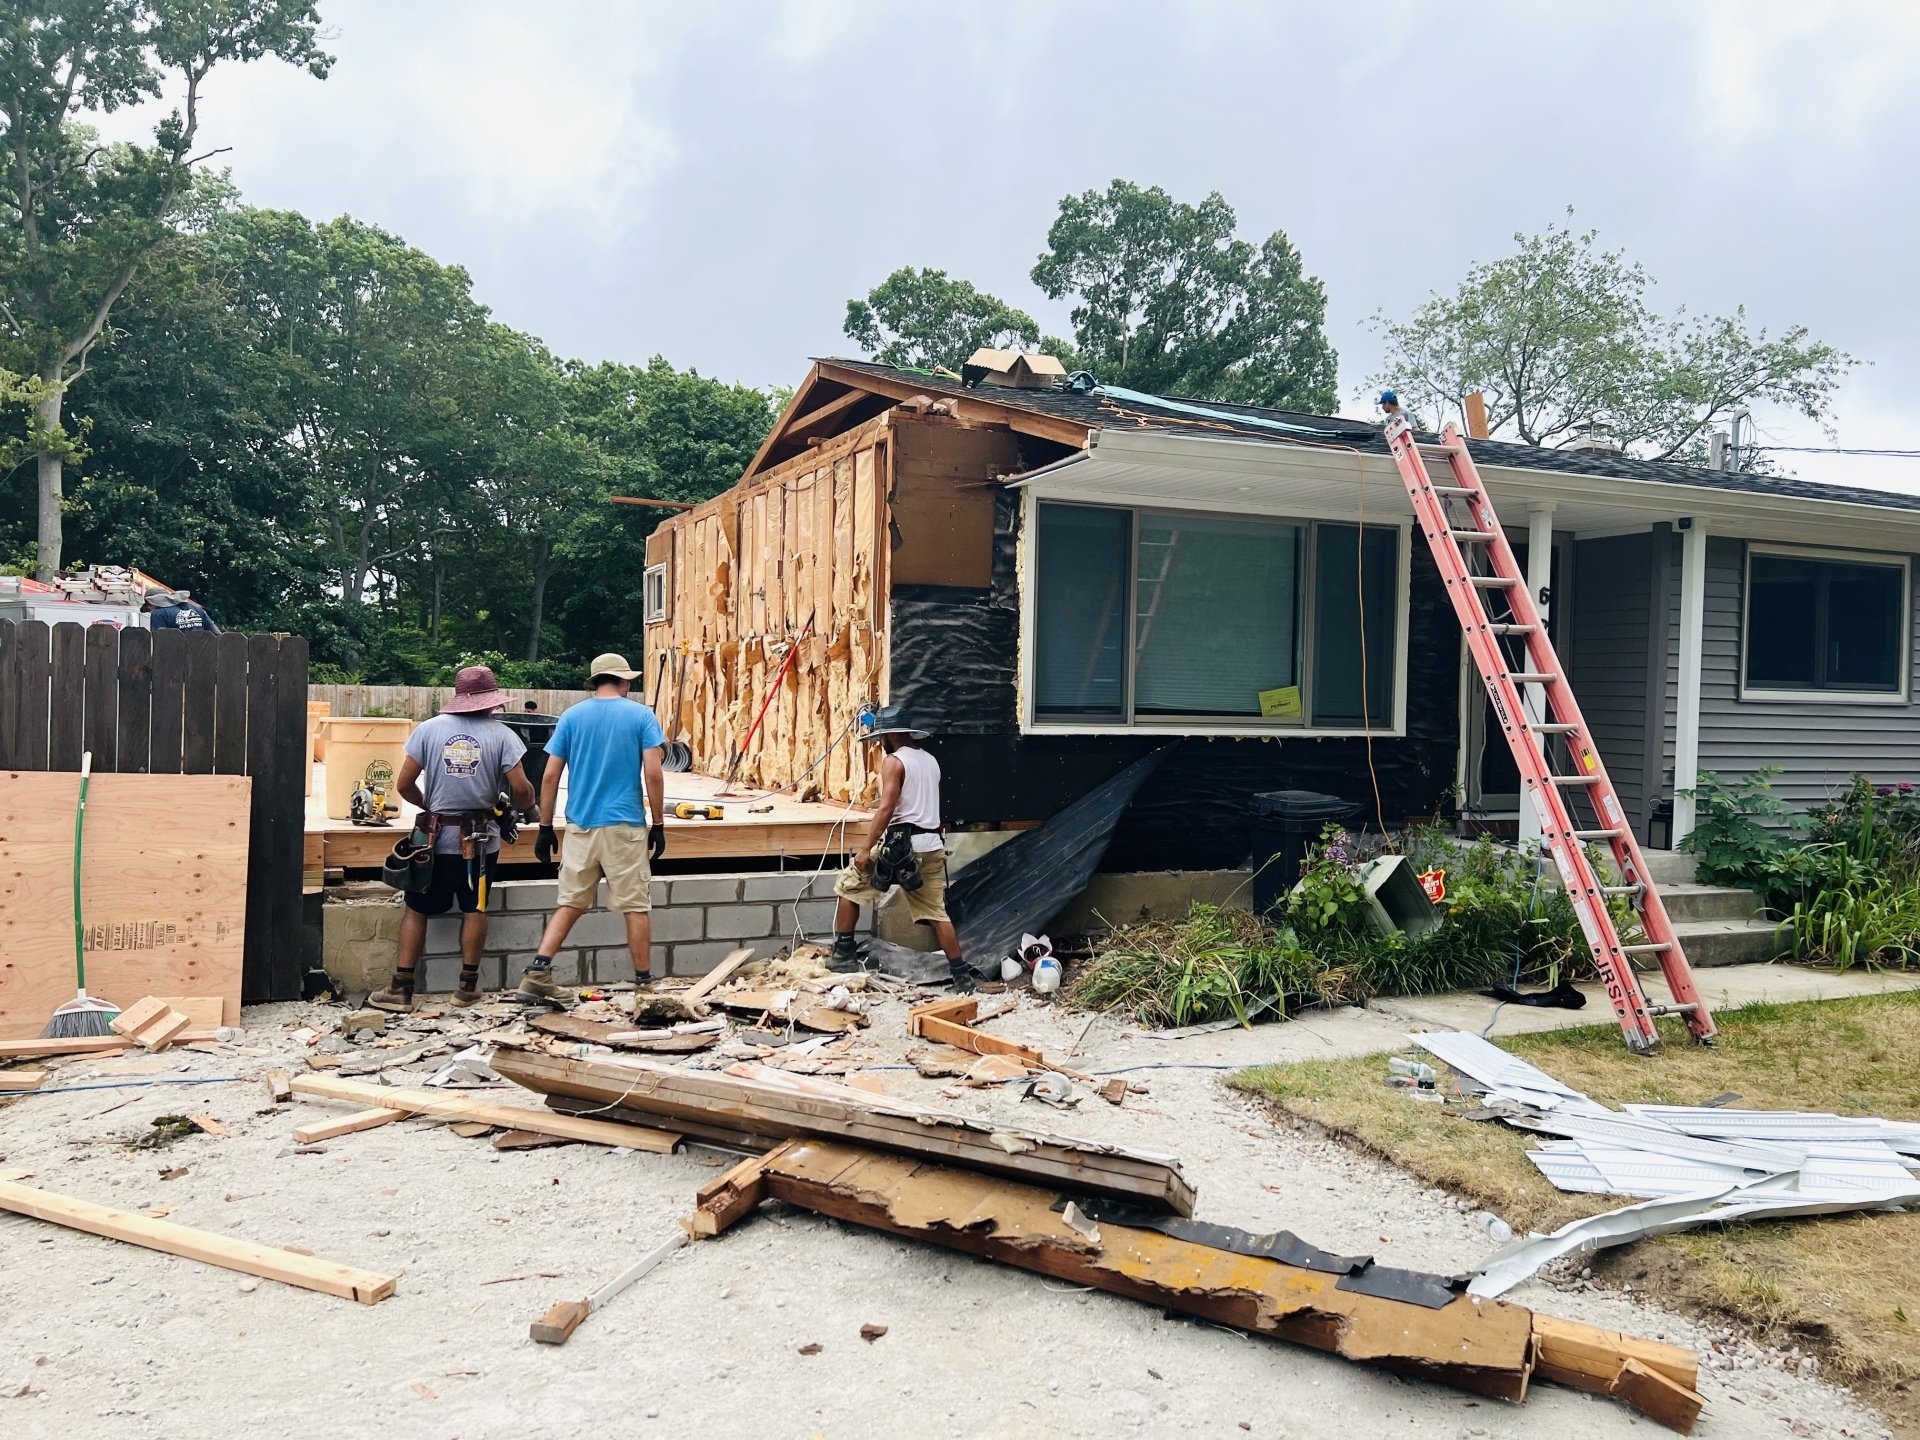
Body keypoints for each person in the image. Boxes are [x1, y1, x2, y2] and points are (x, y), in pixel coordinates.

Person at [369, 666, 537, 1013]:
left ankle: (401, 990)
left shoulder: (429, 729)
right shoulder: (503, 736)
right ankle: (467, 989)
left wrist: (429, 806)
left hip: (434, 841)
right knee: (475, 907)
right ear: (491, 701)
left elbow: (403, 785)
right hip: (481, 841)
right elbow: (521, 789)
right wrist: (528, 808)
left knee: (417, 909)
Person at [517, 653, 667, 1006]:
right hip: (624, 826)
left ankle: (537, 973)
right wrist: (659, 824)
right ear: (624, 681)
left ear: (595, 682)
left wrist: (544, 826)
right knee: (634, 906)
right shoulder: (641, 716)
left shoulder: (571, 716)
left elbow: (550, 775)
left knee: (570, 902)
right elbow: (653, 773)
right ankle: (644, 985)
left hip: (580, 827)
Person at [830, 706, 969, 988]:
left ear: (890, 734)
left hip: (902, 845)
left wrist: (865, 849)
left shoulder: (894, 761)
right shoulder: (930, 760)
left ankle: (843, 955)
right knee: (936, 913)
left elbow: (886, 808)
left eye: (881, 737)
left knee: (848, 886)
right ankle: (962, 977)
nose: (880, 743)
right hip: (932, 846)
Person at [145, 587, 220, 632]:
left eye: (148, 605)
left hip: (176, 653)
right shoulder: (197, 609)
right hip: (201, 652)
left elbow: (159, 641)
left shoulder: (158, 614)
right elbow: (216, 633)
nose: (149, 609)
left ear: (151, 603)